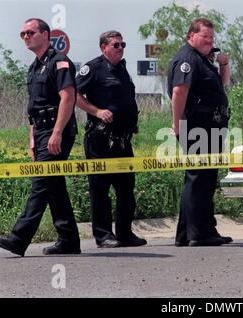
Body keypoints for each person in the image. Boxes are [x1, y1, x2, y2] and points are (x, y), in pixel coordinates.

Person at [0, 18, 80, 256]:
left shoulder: (59, 62)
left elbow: (68, 98)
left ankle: (19, 238)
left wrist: (57, 133)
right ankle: (69, 239)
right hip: (41, 131)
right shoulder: (34, 67)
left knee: (41, 183)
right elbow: (34, 107)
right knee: (54, 186)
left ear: (45, 34)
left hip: (56, 130)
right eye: (22, 34)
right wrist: (33, 137)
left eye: (30, 32)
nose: (25, 37)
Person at [75, 30, 146, 248]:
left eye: (122, 44)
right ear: (103, 47)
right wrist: (96, 111)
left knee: (126, 189)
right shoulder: (94, 67)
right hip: (100, 140)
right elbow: (73, 94)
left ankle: (125, 233)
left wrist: (130, 122)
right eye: (116, 45)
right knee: (100, 190)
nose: (120, 48)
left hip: (123, 141)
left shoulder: (122, 69)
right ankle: (104, 235)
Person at [167, 18, 232, 247]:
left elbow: (222, 85)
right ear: (191, 35)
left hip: (210, 126)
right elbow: (178, 93)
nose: (209, 41)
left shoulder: (202, 60)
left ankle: (192, 232)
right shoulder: (187, 59)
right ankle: (198, 234)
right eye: (205, 37)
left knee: (205, 179)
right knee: (198, 179)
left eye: (212, 38)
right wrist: (177, 125)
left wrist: (223, 65)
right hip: (197, 126)